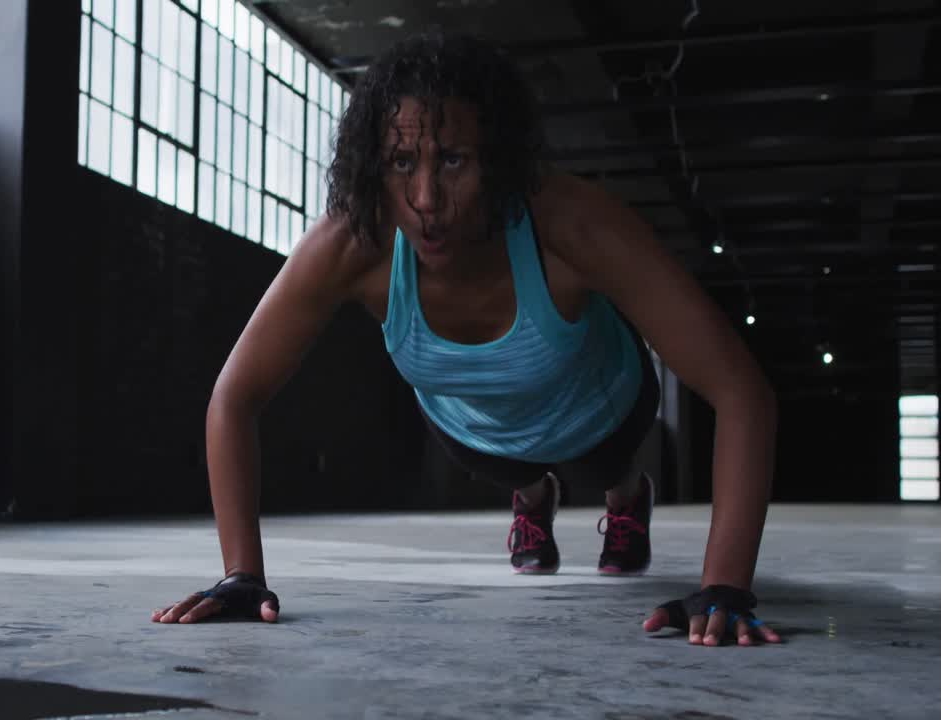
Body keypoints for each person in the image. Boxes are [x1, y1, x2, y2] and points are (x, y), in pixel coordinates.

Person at [152, 29, 781, 648]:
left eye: (452, 160)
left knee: (604, 466)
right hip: (476, 434)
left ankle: (626, 496)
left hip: (604, 415)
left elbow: (741, 390)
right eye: (402, 163)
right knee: (512, 468)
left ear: (498, 159)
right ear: (375, 165)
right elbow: (233, 397)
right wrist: (241, 575)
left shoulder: (572, 224)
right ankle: (533, 499)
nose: (426, 198)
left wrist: (724, 586)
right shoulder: (353, 242)